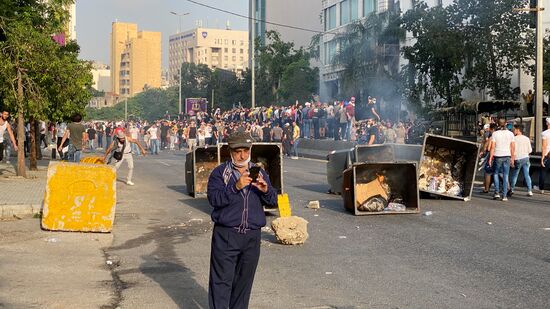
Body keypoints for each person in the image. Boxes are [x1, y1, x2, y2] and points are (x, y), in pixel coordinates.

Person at [206, 131, 277, 309]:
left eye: (246, 150)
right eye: (238, 151)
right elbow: (214, 200)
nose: (242, 155)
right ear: (230, 152)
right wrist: (235, 186)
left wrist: (265, 189)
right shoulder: (220, 173)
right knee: (221, 282)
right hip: (227, 235)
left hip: (252, 237)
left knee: (243, 284)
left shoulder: (259, 172)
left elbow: (274, 200)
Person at [488, 118, 515, 201]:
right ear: (506, 123)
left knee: (495, 173)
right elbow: (512, 147)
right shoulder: (511, 134)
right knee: (505, 175)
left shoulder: (495, 134)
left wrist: (490, 158)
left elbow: (492, 147)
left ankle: (496, 193)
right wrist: (512, 158)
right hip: (507, 155)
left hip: (497, 155)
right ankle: (504, 195)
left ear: (497, 124)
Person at [509, 124, 533, 196]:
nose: (513, 131)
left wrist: (511, 159)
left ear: (518, 130)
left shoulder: (514, 139)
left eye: (514, 129)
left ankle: (512, 189)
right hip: (526, 158)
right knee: (527, 175)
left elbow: (511, 150)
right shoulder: (527, 138)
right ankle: (529, 190)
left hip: (517, 158)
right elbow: (530, 150)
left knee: (515, 175)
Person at [538, 117, 550, 194]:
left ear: (547, 123)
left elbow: (544, 146)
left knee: (543, 171)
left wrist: (542, 158)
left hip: (547, 154)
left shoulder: (544, 133)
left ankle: (541, 188)